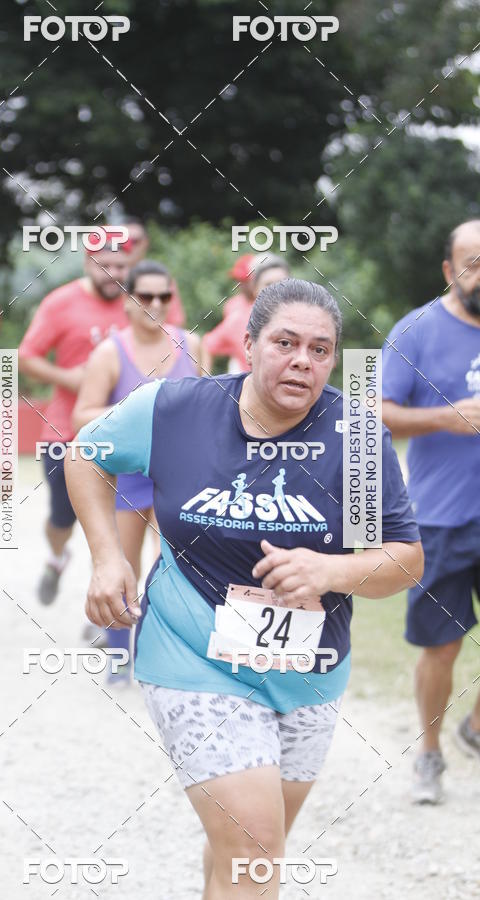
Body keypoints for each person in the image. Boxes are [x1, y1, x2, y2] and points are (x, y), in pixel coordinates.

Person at [65, 278, 423, 899]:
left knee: (248, 844)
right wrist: (106, 557)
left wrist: (330, 571)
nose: (302, 361)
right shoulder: (176, 410)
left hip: (308, 670)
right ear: (250, 345)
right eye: (285, 343)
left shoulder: (355, 438)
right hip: (192, 656)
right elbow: (85, 454)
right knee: (256, 848)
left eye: (319, 350)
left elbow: (402, 559)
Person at [382, 219, 480, 805]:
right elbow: (374, 412)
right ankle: (430, 753)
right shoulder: (414, 331)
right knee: (442, 646)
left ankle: (476, 726)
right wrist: (447, 417)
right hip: (441, 517)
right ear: (449, 270)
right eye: (474, 263)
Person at [72, 260, 201, 681]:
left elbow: (210, 405)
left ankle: (170, 657)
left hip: (176, 476)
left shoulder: (192, 344)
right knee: (121, 568)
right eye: (146, 296)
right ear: (128, 300)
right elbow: (82, 417)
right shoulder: (110, 352)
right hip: (126, 478)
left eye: (164, 295)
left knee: (178, 568)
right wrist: (140, 412)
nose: (156, 304)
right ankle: (118, 660)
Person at [18, 229, 136, 605]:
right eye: (104, 265)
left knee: (119, 523)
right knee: (62, 518)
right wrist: (67, 377)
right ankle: (57, 557)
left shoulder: (142, 301)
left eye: (120, 266)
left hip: (127, 432)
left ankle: (109, 605)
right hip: (65, 432)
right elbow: (26, 356)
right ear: (87, 264)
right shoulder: (60, 302)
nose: (113, 273)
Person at [202, 255, 290, 374]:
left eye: (282, 283)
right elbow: (208, 344)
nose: (276, 290)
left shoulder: (304, 317)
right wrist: (205, 380)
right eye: (268, 284)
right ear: (255, 287)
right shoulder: (236, 315)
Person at [119, 215, 186, 326]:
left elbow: (175, 324)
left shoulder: (161, 279)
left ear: (145, 243)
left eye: (134, 241)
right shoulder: (106, 281)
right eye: (123, 241)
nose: (128, 246)